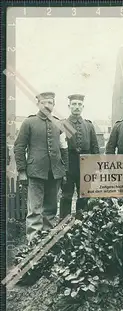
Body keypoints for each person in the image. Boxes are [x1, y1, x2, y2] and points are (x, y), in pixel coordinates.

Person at [14, 91, 69, 244]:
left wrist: (64, 171)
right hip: (35, 172)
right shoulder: (28, 123)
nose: (47, 105)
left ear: (54, 105)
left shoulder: (59, 123)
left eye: (50, 102)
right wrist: (22, 171)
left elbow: (64, 148)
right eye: (44, 102)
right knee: (35, 211)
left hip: (55, 173)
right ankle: (32, 244)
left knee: (51, 210)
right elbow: (19, 147)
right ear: (38, 104)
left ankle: (46, 243)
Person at [59, 94, 100, 218]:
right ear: (69, 106)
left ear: (83, 107)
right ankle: (64, 222)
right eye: (74, 104)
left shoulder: (89, 125)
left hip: (86, 164)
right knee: (66, 194)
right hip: (68, 164)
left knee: (84, 194)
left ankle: (81, 222)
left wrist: (96, 167)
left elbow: (95, 147)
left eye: (79, 104)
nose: (76, 107)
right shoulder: (62, 124)